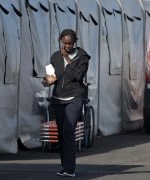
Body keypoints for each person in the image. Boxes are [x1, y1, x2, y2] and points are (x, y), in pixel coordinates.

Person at [42, 29, 90, 177]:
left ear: (75, 42)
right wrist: (46, 81)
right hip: (58, 98)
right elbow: (51, 77)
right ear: (61, 42)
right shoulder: (55, 57)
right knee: (61, 134)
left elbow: (78, 75)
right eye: (64, 43)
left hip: (74, 97)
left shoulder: (82, 57)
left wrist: (68, 60)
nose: (67, 46)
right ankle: (65, 167)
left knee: (69, 131)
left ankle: (70, 169)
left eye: (70, 43)